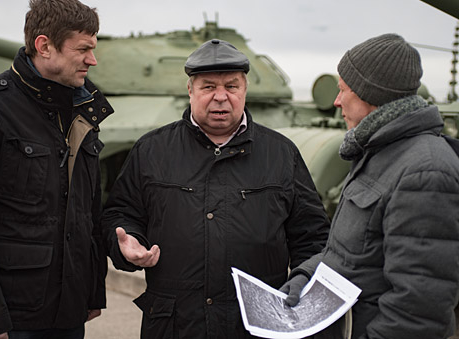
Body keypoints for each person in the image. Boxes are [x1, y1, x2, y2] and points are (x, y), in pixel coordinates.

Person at [102, 39, 330, 338]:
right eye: (208, 87)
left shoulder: (281, 153)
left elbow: (313, 238)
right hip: (175, 325)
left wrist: (299, 294)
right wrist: (126, 242)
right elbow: (120, 213)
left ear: (244, 90)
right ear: (190, 91)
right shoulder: (152, 150)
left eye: (231, 87)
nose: (220, 97)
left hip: (256, 327)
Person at [0, 0, 113, 339]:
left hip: (69, 310)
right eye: (82, 50)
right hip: (13, 315)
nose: (92, 61)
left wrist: (93, 291)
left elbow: (87, 212)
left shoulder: (83, 111)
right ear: (44, 46)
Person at [280, 33, 459, 339]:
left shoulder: (424, 172)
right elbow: (348, 253)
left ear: (369, 93)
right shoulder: (379, 153)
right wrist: (304, 278)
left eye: (343, 90)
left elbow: (418, 310)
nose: (336, 101)